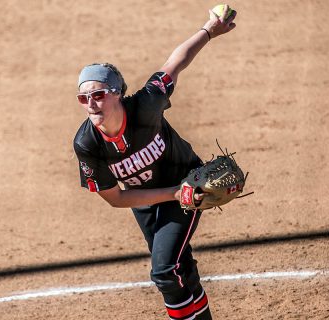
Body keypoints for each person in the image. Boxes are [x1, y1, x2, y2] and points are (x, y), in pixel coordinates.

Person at [73, 6, 236, 320]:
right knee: (182, 270)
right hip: (147, 202)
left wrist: (208, 31)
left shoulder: (147, 105)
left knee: (164, 272)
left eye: (99, 94)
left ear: (118, 93)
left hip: (189, 185)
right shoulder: (87, 144)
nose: (91, 103)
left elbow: (175, 62)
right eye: (83, 98)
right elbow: (116, 197)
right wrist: (171, 193)